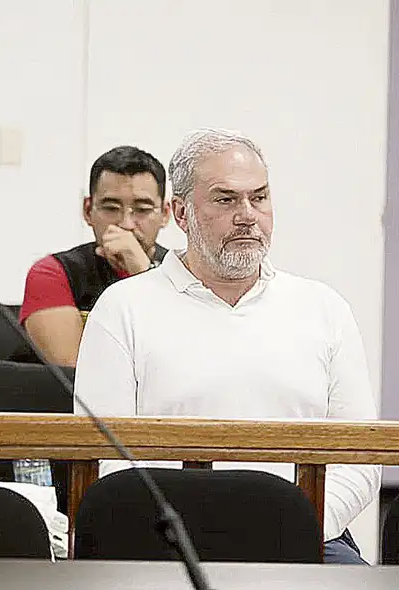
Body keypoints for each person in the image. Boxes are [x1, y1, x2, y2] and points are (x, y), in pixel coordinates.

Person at [73, 128, 380, 564]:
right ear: (181, 213)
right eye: (226, 200)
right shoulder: (123, 308)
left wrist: (291, 525)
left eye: (259, 198)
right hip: (167, 545)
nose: (248, 215)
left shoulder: (324, 308)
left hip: (308, 537)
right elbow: (104, 458)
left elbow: (361, 455)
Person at [20, 146, 170, 367]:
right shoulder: (53, 272)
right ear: (88, 210)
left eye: (142, 209)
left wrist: (143, 272)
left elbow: (191, 361)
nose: (126, 224)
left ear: (165, 214)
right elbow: (73, 371)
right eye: (111, 208)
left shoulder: (187, 272)